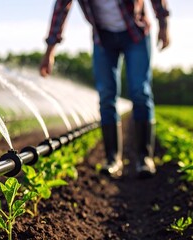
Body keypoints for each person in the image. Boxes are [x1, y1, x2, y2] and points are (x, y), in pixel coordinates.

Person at [40, 0, 170, 178]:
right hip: (103, 38)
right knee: (106, 95)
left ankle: (144, 158)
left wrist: (163, 25)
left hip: (136, 32)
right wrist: (50, 51)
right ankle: (113, 159)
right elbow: (61, 8)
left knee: (140, 91)